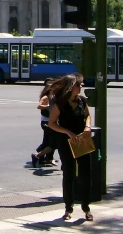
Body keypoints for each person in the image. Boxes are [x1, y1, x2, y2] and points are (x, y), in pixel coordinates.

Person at [48, 73, 93, 222]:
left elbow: (87, 115)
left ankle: (86, 207)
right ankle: (68, 207)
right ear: (70, 87)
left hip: (81, 139)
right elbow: (52, 123)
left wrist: (87, 127)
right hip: (66, 142)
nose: (81, 87)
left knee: (86, 173)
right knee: (69, 173)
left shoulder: (81, 100)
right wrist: (67, 131)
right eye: (78, 85)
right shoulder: (60, 103)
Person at [32, 79, 55, 166]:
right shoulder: (46, 97)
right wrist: (48, 106)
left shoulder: (52, 96)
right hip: (46, 121)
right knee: (50, 142)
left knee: (47, 141)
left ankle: (42, 157)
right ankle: (38, 154)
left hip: (50, 121)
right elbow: (39, 106)